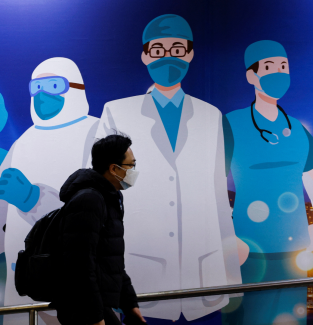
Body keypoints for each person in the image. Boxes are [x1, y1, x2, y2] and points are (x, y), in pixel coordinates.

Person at [93, 14, 244, 322]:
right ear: (145, 54)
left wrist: (232, 279)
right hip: (141, 269)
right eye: (158, 50)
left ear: (189, 54)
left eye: (177, 49)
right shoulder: (116, 111)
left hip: (204, 274)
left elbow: (218, 195)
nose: (168, 57)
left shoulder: (210, 115)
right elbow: (102, 191)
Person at [222, 40, 313, 325]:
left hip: (295, 252)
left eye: (283, 67)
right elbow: (211, 185)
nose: (278, 73)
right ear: (251, 76)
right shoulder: (232, 124)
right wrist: (228, 238)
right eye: (268, 67)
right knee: (249, 318)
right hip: (249, 251)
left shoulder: (297, 129)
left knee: (291, 318)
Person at [0, 57, 99, 325]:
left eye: (54, 86)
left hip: (72, 281)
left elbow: (92, 212)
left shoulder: (96, 134)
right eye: (37, 87)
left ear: (76, 88)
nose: (43, 95)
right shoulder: (22, 143)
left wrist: (34, 200)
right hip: (22, 283)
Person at [54, 134, 145, 325]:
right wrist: (95, 318)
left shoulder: (110, 198)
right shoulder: (89, 200)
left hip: (96, 305)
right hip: (84, 309)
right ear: (114, 168)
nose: (133, 171)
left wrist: (129, 303)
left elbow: (110, 260)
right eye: (131, 165)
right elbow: (79, 265)